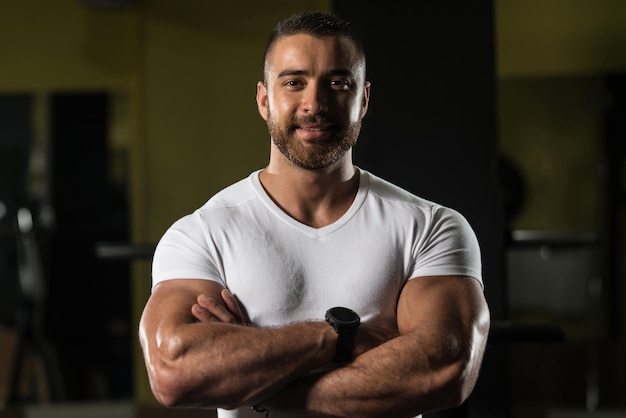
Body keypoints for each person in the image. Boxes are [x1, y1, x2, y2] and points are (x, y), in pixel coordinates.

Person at [139, 10, 490, 418]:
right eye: (294, 82)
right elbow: (173, 371)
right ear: (264, 100)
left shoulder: (431, 227)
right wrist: (335, 339)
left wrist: (256, 379)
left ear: (364, 99)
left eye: (338, 83)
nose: (315, 103)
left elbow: (442, 371)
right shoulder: (203, 234)